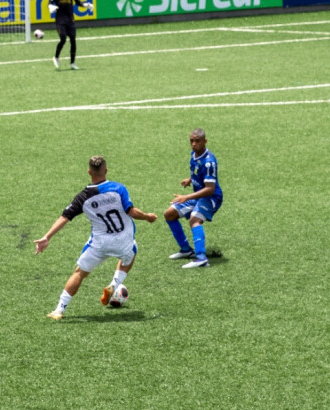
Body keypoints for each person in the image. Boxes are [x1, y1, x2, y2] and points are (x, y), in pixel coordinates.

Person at [34, 155, 157, 320]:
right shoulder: (118, 188)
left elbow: (65, 218)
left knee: (79, 273)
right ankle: (114, 284)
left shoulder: (82, 197)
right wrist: (148, 216)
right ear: (106, 170)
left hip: (99, 244)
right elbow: (132, 212)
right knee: (132, 252)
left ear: (89, 172)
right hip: (123, 241)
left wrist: (47, 236)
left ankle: (59, 310)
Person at [165, 128, 223, 269]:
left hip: (211, 197)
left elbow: (210, 188)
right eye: (191, 141)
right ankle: (186, 250)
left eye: (197, 141)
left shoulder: (209, 161)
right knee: (169, 214)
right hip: (199, 195)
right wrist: (190, 179)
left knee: (194, 219)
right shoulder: (194, 154)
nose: (194, 144)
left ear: (205, 141)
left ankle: (201, 258)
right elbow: (199, 171)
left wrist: (187, 197)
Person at [49, 0, 86, 70]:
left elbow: (78, 2)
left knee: (73, 40)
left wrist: (86, 5)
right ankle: (56, 57)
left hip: (70, 19)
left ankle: (72, 63)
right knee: (63, 39)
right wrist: (51, 7)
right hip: (60, 19)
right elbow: (50, 2)